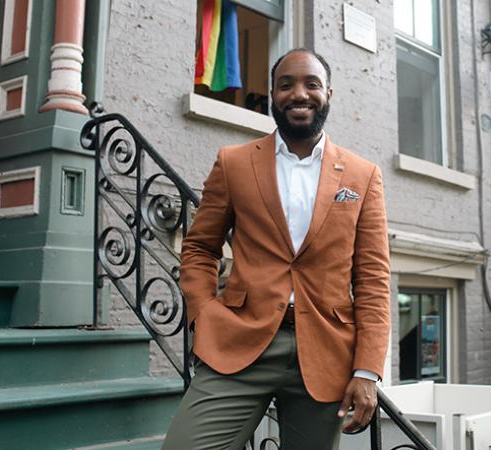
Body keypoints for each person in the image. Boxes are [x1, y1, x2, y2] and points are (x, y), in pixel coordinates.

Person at [162, 48, 391, 450]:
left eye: (311, 84)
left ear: (329, 94)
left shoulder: (363, 175)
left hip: (325, 352)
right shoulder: (234, 163)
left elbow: (372, 280)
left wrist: (368, 370)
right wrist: (204, 313)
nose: (299, 94)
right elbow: (199, 248)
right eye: (286, 85)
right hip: (239, 342)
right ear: (272, 94)